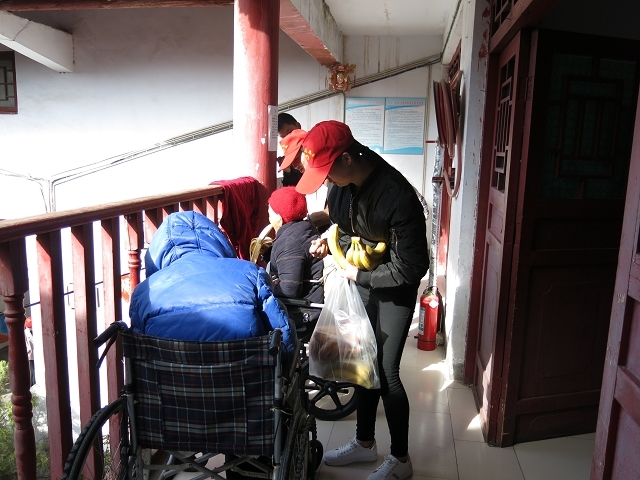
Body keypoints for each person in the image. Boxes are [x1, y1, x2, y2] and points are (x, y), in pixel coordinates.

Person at [296, 120, 429, 480]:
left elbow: (412, 267)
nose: (325, 179)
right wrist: (329, 242)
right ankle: (364, 443)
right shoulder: (341, 186)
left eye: (327, 171)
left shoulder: (397, 197)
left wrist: (360, 275)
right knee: (361, 360)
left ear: (347, 159)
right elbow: (345, 226)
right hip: (362, 278)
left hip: (394, 286)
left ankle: (401, 460)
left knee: (386, 373)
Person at [129, 211, 297, 356]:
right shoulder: (251, 273)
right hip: (247, 381)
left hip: (168, 383)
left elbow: (136, 352)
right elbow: (283, 333)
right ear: (218, 240)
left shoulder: (143, 293)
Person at [267, 187, 324, 337]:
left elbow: (289, 289)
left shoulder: (289, 242)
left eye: (270, 213)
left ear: (280, 217)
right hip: (313, 305)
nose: (268, 217)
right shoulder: (305, 229)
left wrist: (267, 287)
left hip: (304, 313)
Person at [277, 113, 303, 186]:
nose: (288, 139)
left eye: (290, 133)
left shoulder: (313, 146)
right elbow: (289, 189)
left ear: (298, 126)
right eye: (284, 137)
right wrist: (288, 171)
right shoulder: (289, 156)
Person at [25, 317, 35, 387]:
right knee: (32, 370)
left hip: (36, 352)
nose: (30, 328)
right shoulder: (25, 333)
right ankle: (32, 384)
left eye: (30, 327)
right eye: (28, 327)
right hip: (31, 354)